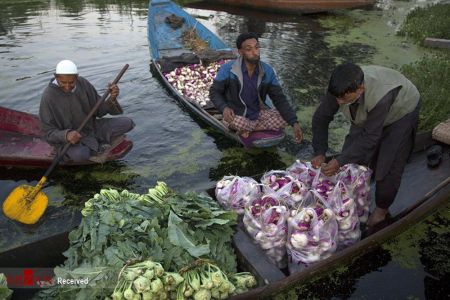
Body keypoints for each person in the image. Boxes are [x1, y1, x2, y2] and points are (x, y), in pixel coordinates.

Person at [311, 62, 420, 227]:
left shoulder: (380, 96)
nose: (338, 102)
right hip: (367, 110)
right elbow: (321, 118)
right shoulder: (339, 89)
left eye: (343, 99)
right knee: (351, 155)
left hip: (401, 112)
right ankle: (353, 196)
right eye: (336, 98)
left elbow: (370, 137)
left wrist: (339, 161)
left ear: (360, 89)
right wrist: (320, 151)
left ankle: (381, 212)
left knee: (388, 163)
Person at [209, 32, 303, 143]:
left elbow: (279, 99)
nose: (255, 52)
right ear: (240, 52)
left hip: (257, 114)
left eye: (257, 47)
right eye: (249, 49)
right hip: (237, 115)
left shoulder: (267, 71)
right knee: (236, 122)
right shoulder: (228, 69)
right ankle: (250, 127)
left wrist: (294, 123)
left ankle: (249, 129)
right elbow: (214, 92)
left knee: (286, 118)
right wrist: (224, 108)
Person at [39, 60, 134, 162]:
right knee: (81, 154)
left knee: (127, 123)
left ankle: (95, 144)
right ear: (56, 77)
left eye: (71, 82)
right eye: (63, 82)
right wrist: (66, 135)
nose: (67, 87)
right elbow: (47, 133)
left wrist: (112, 99)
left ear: (76, 77)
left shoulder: (83, 83)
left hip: (91, 129)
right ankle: (96, 146)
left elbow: (99, 111)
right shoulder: (48, 96)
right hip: (69, 141)